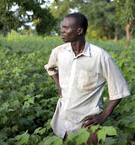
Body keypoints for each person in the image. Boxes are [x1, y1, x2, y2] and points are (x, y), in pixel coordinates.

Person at [44, 13, 130, 143]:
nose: (62, 31)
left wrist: (103, 116)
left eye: (66, 28)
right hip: (63, 120)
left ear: (79, 31)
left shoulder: (100, 57)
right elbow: (50, 69)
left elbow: (119, 90)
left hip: (87, 123)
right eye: (62, 27)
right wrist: (60, 86)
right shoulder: (59, 52)